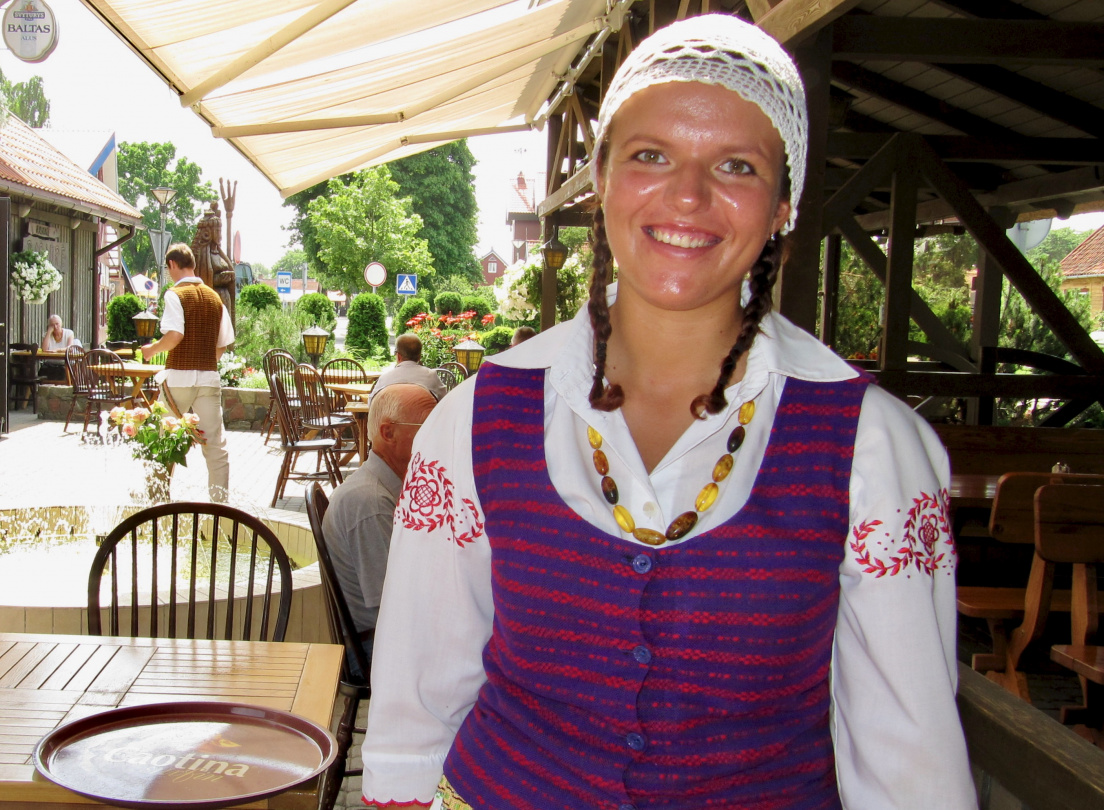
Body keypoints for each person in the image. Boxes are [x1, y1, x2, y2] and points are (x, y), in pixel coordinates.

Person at [362, 15, 974, 810]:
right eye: (651, 155)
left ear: (784, 204)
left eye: (737, 165)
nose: (688, 194)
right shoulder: (480, 422)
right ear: (604, 181)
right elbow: (416, 707)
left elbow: (909, 766)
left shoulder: (870, 450)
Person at [321, 383, 438, 664]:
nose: (439, 435)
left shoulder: (388, 486)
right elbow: (394, 606)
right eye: (429, 425)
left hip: (387, 636)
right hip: (376, 649)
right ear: (388, 433)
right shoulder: (370, 503)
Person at [139, 243, 233, 501]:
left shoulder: (174, 295)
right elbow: (222, 344)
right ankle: (220, 507)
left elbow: (175, 335)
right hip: (209, 379)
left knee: (162, 439)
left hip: (179, 378)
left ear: (172, 265)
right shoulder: (215, 298)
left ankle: (156, 501)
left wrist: (151, 350)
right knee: (216, 446)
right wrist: (202, 361)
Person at [369, 333, 446, 402]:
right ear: (419, 357)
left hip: (393, 417)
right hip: (425, 418)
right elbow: (444, 401)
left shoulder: (385, 378)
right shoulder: (431, 376)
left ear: (398, 356)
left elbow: (372, 403)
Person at [39, 315, 81, 382]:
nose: (55, 327)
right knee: (41, 372)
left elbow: (70, 348)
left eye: (57, 324)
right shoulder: (47, 335)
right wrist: (49, 332)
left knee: (63, 372)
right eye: (52, 325)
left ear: (61, 324)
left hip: (65, 363)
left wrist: (57, 350)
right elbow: (44, 349)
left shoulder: (69, 333)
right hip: (50, 363)